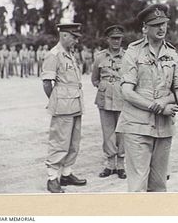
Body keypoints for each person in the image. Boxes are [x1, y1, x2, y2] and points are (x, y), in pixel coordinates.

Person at [115, 4, 178, 192]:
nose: (161, 28)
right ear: (145, 28)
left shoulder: (172, 53)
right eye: (156, 25)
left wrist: (164, 102)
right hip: (137, 127)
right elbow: (127, 92)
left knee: (159, 186)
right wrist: (159, 107)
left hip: (164, 128)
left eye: (164, 24)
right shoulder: (133, 52)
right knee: (138, 185)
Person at [41, 22, 87, 193]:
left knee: (74, 142)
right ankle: (52, 178)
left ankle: (66, 174)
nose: (76, 40)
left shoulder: (69, 54)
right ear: (65, 35)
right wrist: (57, 100)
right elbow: (47, 83)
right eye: (74, 37)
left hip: (75, 104)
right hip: (63, 105)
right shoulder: (54, 55)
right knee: (59, 142)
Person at [91, 25, 126, 179]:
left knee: (122, 132)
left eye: (118, 38)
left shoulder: (127, 57)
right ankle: (110, 164)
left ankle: (121, 164)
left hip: (122, 98)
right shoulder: (100, 57)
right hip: (105, 99)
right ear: (107, 40)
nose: (116, 41)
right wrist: (104, 87)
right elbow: (95, 79)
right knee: (107, 132)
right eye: (113, 39)